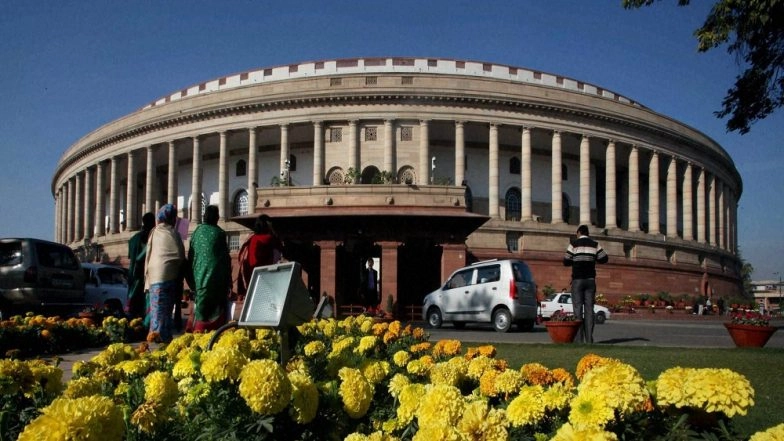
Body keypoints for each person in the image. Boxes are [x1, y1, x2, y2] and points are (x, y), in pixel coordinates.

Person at [144, 204, 188, 343]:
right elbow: (179, 255)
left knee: (157, 310)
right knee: (165, 310)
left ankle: (156, 334)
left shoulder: (155, 231)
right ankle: (162, 336)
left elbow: (149, 254)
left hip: (154, 277)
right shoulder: (173, 233)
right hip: (169, 277)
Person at [187, 205, 232, 332]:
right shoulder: (219, 233)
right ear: (216, 217)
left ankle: (198, 335)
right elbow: (225, 259)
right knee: (217, 312)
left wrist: (192, 279)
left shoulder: (197, 232)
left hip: (199, 279)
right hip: (216, 281)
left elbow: (191, 256)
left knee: (201, 311)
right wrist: (228, 282)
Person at [563, 225, 608, 344]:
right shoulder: (594, 244)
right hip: (590, 280)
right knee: (589, 309)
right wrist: (592, 259)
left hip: (577, 280)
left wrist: (576, 260)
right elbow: (604, 258)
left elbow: (566, 261)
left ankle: (579, 339)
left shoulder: (574, 244)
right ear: (588, 233)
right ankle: (589, 339)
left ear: (578, 233)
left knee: (577, 309)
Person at [237, 214, 283, 300]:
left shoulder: (251, 238)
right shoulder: (270, 239)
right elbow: (278, 256)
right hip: (265, 279)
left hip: (250, 278)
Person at [126, 212, 155, 319]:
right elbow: (142, 257)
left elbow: (131, 257)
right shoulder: (148, 238)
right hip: (142, 277)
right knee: (143, 308)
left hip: (132, 275)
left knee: (132, 309)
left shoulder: (132, 239)